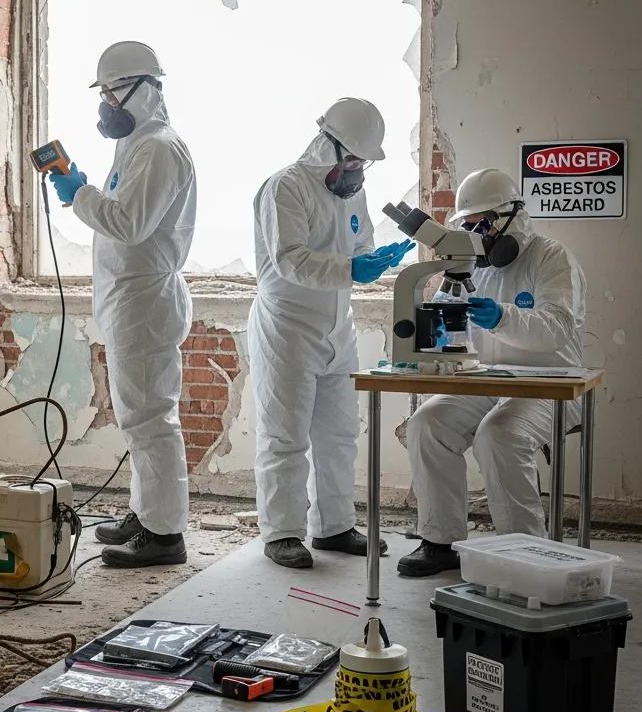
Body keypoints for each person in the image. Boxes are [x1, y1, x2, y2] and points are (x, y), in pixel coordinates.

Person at [50, 41, 196, 569]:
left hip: (145, 298)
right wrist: (86, 192)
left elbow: (130, 225)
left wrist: (78, 193)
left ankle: (164, 536)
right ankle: (147, 513)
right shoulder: (136, 145)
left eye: (112, 90)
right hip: (130, 297)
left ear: (143, 88)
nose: (106, 101)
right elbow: (123, 214)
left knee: (152, 419)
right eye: (104, 91)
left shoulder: (159, 147)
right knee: (139, 418)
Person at [250, 98, 413, 569]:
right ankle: (282, 532)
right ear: (327, 143)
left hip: (338, 327)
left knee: (340, 433)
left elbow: (359, 245)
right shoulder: (286, 187)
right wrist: (352, 267)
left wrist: (376, 258)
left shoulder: (350, 190)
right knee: (286, 436)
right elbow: (289, 260)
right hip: (288, 327)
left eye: (364, 161)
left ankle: (335, 526)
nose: (359, 168)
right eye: (353, 158)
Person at [399, 168, 587, 577]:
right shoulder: (473, 266)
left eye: (482, 224)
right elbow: (450, 323)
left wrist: (503, 316)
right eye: (469, 226)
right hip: (490, 378)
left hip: (552, 383)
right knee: (427, 423)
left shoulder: (552, 258)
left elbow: (556, 330)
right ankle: (439, 540)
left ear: (512, 217)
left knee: (500, 434)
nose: (476, 235)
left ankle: (525, 552)